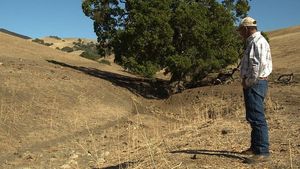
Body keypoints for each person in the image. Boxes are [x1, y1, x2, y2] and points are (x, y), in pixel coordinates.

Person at [237, 16, 272, 164]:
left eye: (241, 30)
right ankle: (255, 147)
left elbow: (256, 67)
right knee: (253, 116)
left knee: (257, 118)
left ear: (246, 29)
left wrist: (248, 82)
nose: (240, 33)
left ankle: (262, 152)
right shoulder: (254, 42)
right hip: (255, 83)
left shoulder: (257, 43)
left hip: (255, 83)